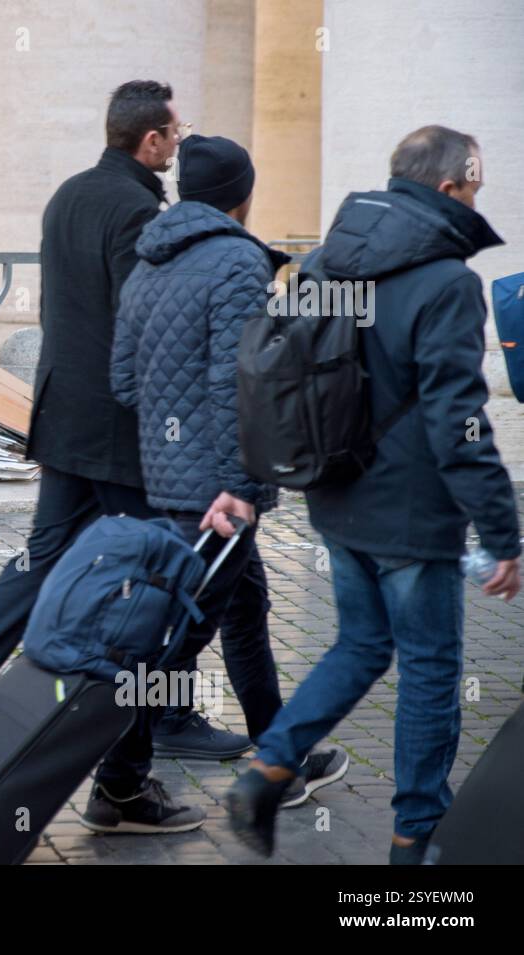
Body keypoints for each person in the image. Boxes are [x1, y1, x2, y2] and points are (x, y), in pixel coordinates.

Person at [0, 81, 263, 763]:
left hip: (62, 410)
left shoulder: (68, 194)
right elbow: (147, 323)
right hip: (119, 425)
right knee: (164, 576)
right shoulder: (137, 211)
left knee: (39, 563)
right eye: (174, 134)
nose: (178, 146)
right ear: (150, 139)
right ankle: (140, 754)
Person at [226, 125, 520, 865]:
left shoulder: (331, 259)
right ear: (452, 187)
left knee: (360, 644)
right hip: (413, 514)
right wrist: (504, 532)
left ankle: (267, 770)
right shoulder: (448, 282)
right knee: (428, 668)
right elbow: (461, 421)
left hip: (336, 492)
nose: (476, 197)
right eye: (475, 187)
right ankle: (413, 838)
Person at [104, 133, 348, 833]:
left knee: (243, 611)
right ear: (244, 193)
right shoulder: (240, 260)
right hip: (217, 492)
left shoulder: (149, 260)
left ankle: (283, 757)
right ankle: (117, 783)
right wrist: (239, 486)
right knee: (173, 636)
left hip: (168, 481)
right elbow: (244, 383)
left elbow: (124, 381)